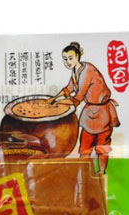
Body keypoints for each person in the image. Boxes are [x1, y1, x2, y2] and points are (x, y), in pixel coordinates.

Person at [51, 42, 120, 173]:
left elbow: (78, 97)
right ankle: (85, 173)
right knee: (85, 146)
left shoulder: (87, 71)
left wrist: (59, 103)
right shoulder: (75, 72)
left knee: (102, 146)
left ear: (77, 56)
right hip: (89, 112)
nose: (67, 62)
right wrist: (53, 99)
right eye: (65, 59)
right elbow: (69, 89)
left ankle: (102, 172)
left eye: (70, 58)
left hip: (103, 112)